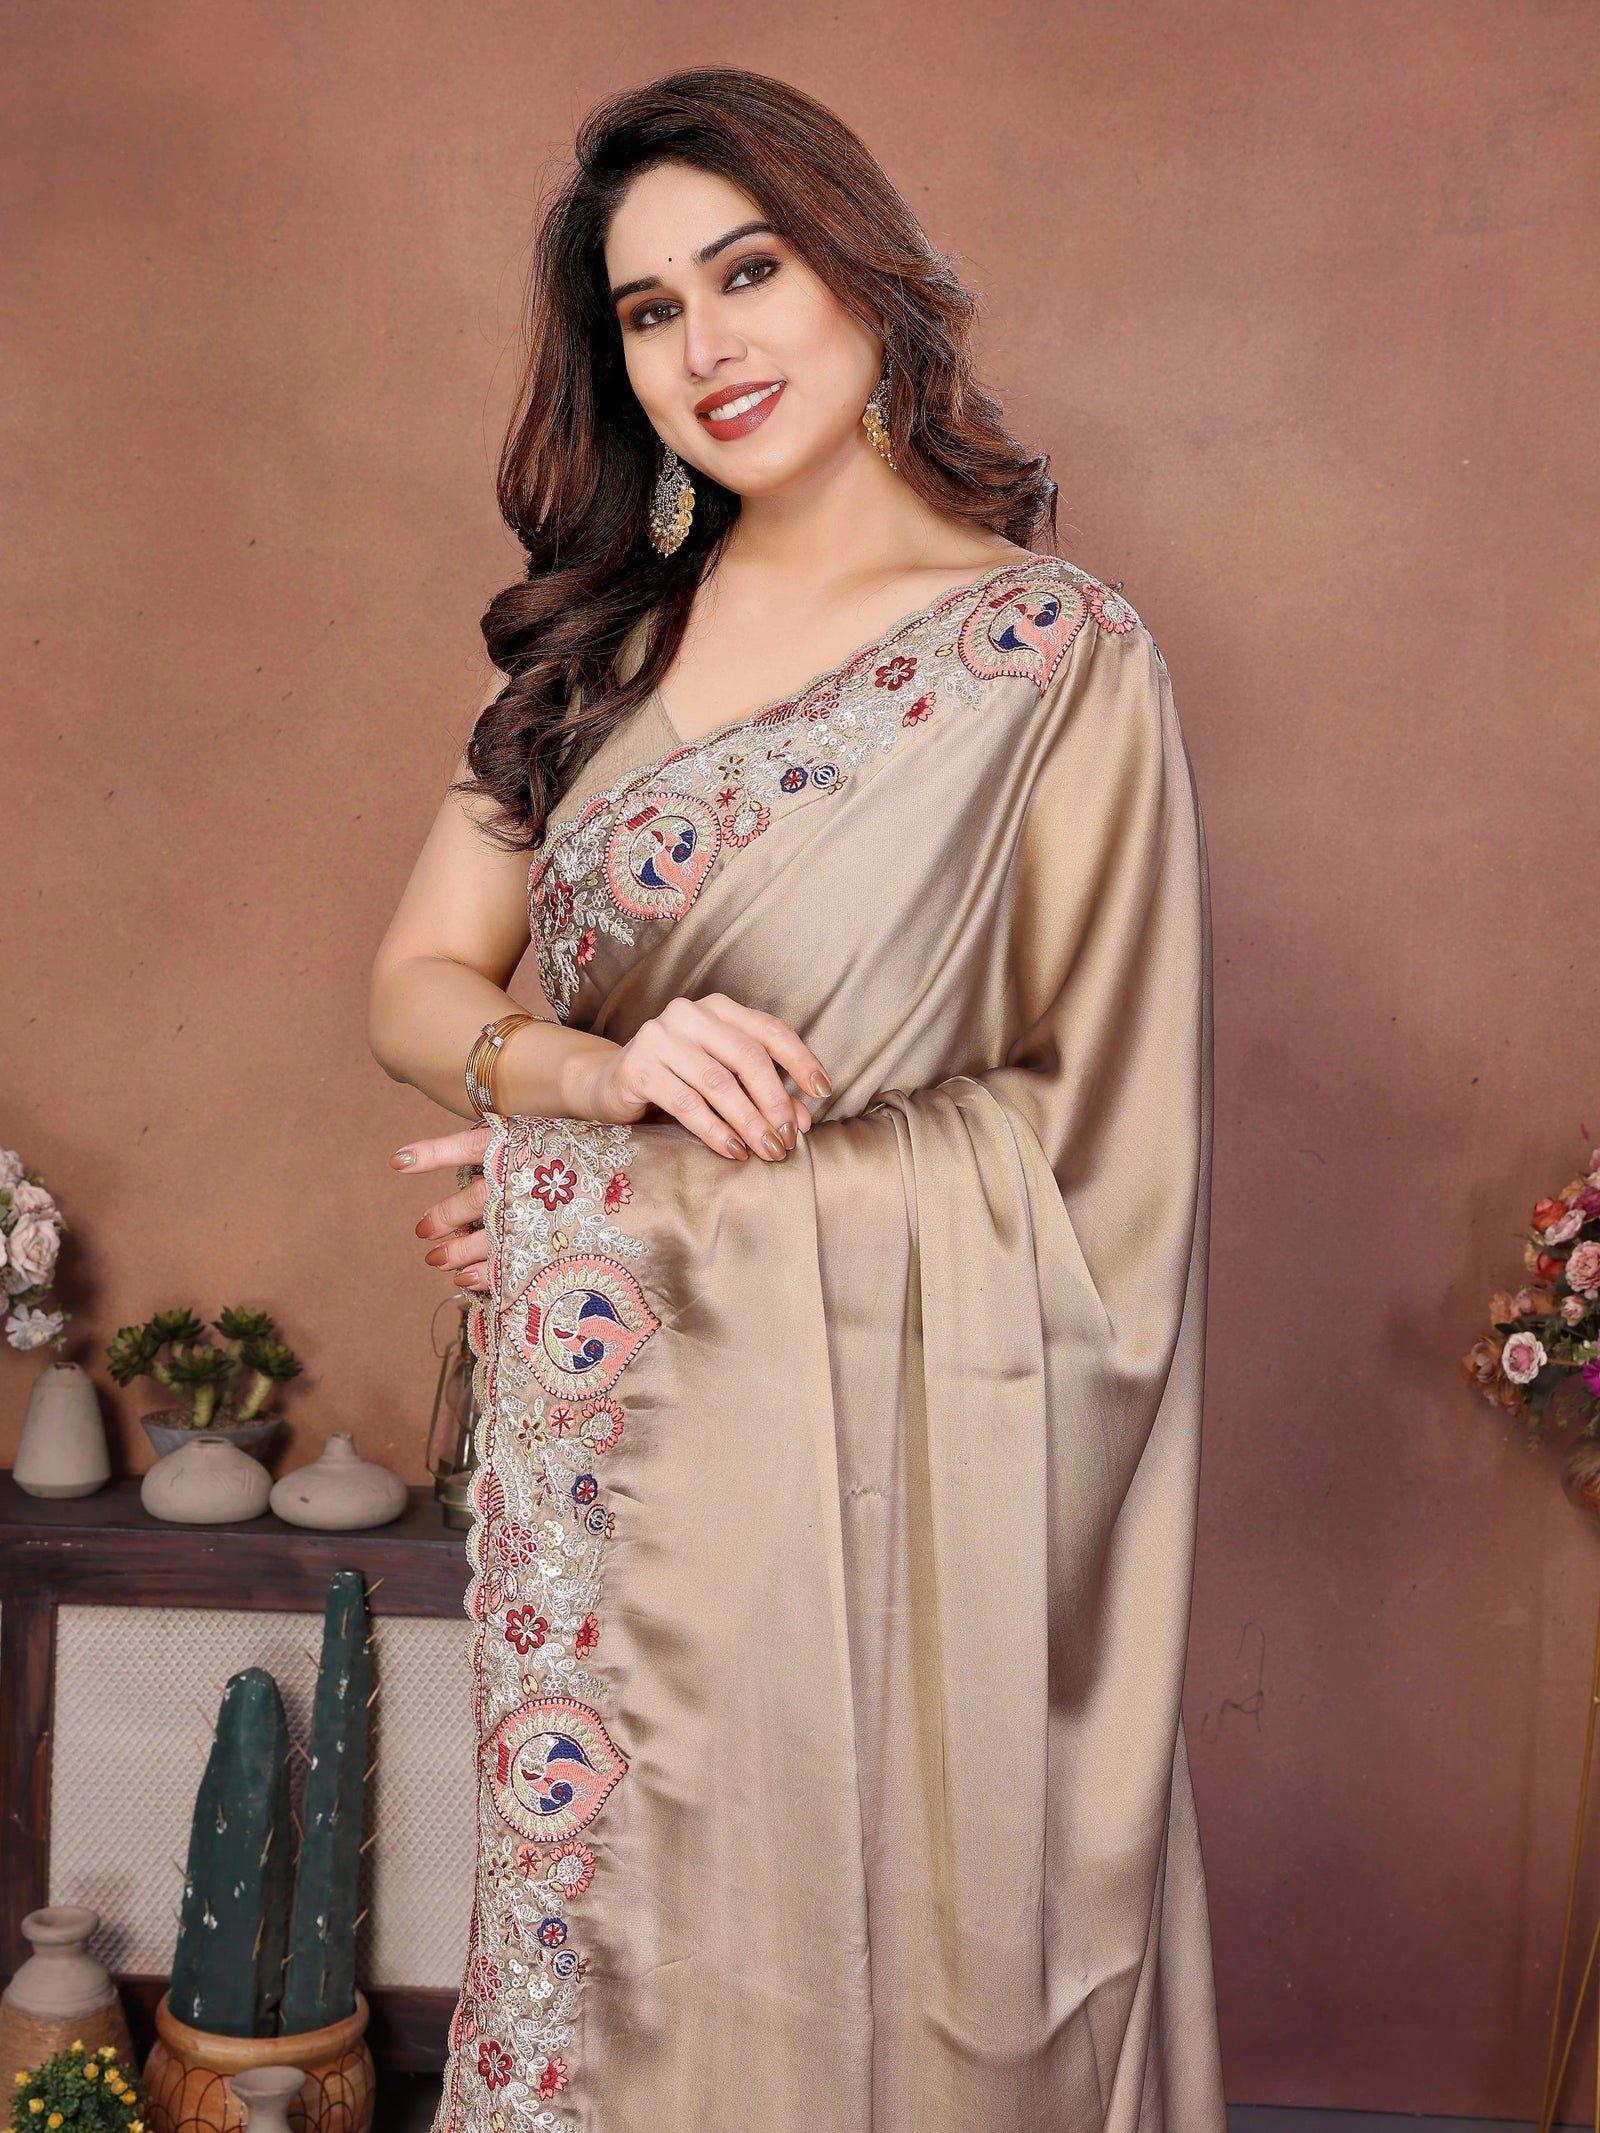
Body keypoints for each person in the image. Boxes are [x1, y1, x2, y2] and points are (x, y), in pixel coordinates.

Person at [368, 65, 1226, 2133]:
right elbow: (415, 982)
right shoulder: (603, 646)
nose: (704, 347)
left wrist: (591, 1208)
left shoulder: (1048, 663)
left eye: (746, 272)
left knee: (866, 1959)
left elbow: (1096, 1164)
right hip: (637, 1477)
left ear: (866, 277)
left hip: (886, 1489)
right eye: (649, 311)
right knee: (645, 1979)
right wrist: (588, 1091)